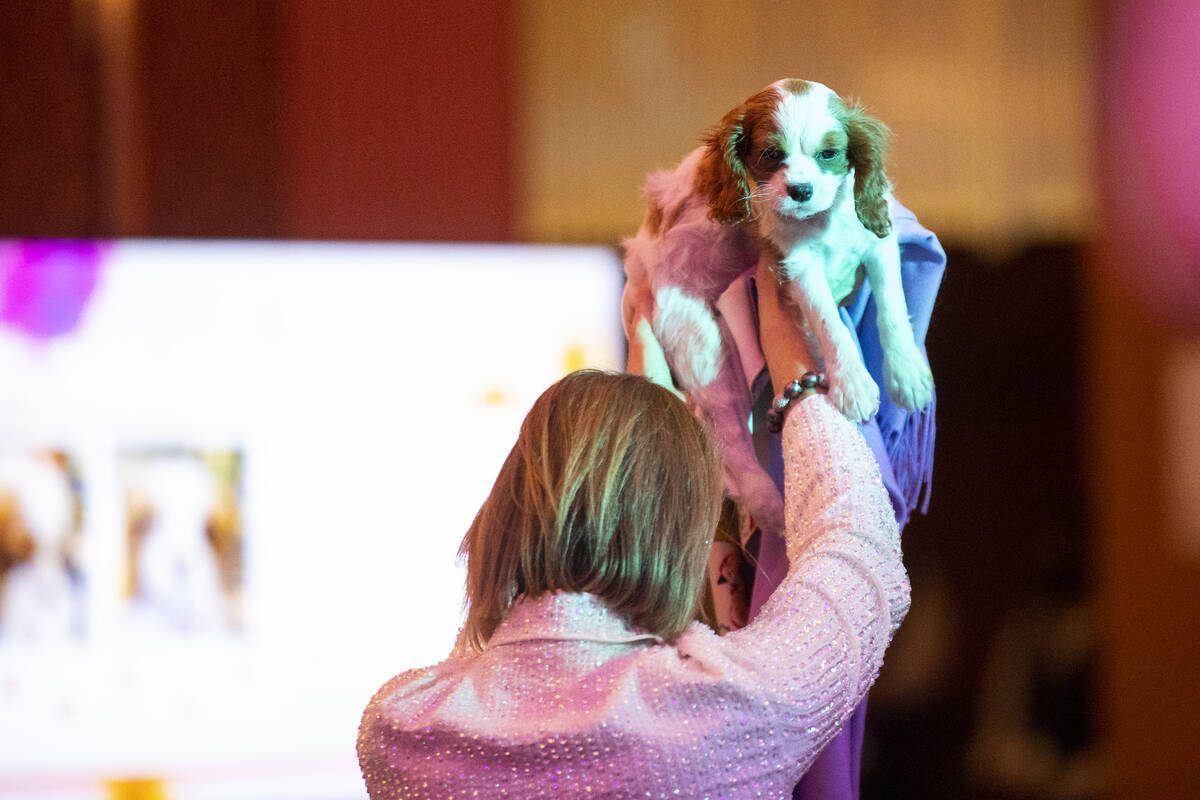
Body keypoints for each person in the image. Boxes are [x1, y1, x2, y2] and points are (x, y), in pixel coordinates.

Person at [357, 260, 910, 799]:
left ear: (506, 511)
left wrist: (653, 437)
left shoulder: (402, 725)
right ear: (679, 534)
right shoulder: (732, 705)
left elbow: (492, 653)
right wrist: (791, 361)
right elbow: (858, 547)